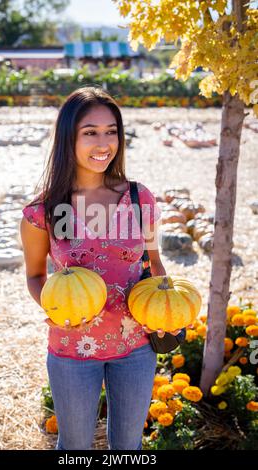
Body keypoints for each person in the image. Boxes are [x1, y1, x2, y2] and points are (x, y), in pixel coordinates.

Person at [20, 86, 182, 451]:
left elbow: (154, 262)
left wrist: (168, 307)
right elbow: (34, 276)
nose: (103, 142)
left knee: (128, 447)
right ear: (68, 138)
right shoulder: (44, 210)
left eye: (111, 131)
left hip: (136, 346)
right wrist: (56, 312)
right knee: (74, 445)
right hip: (73, 347)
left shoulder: (140, 198)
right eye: (90, 132)